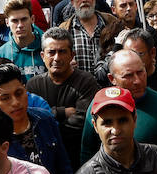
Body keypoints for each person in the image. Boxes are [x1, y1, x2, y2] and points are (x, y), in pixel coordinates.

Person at [79, 50, 157, 163]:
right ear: (112, 79)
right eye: (128, 75)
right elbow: (87, 153)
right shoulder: (99, 106)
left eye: (140, 72)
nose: (137, 80)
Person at [0, 60, 72, 174]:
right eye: (5, 98)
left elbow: (64, 168)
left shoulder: (45, 120)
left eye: (19, 93)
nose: (16, 102)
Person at [27, 28, 102, 161]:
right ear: (42, 56)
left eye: (62, 52)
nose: (57, 58)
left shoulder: (86, 82)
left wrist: (48, 119)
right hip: (45, 157)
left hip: (79, 156)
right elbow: (31, 122)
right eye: (51, 52)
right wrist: (62, 112)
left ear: (72, 55)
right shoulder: (34, 85)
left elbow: (82, 122)